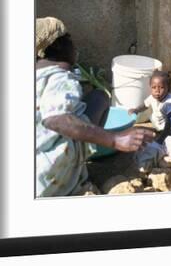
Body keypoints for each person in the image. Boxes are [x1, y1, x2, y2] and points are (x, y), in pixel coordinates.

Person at [35, 16, 155, 197]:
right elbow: (56, 119)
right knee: (100, 98)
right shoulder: (60, 78)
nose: (73, 43)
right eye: (68, 37)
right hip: (50, 178)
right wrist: (114, 139)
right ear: (58, 45)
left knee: (93, 100)